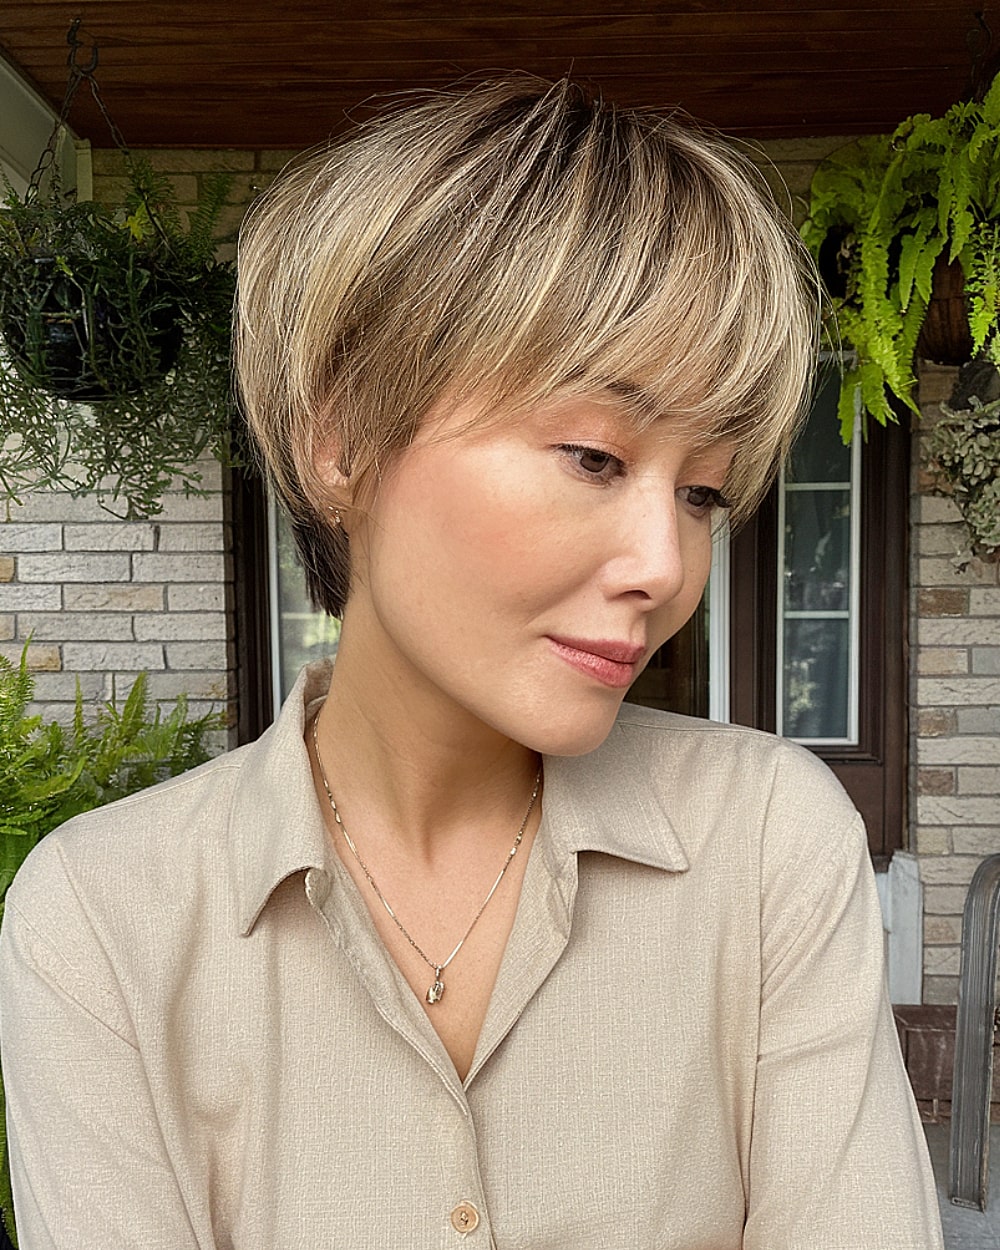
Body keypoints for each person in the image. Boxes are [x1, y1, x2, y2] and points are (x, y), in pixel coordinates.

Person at [0, 77, 943, 1249]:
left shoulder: (765, 844)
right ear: (341, 433)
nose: (664, 566)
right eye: (594, 455)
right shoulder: (103, 916)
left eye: (702, 492)